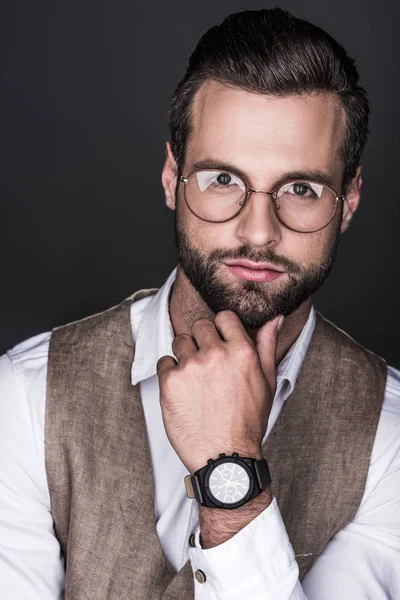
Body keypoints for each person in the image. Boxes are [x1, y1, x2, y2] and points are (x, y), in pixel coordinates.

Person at [1, 7, 399, 600]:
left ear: (348, 200)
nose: (258, 232)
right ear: (172, 177)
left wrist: (229, 474)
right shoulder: (23, 399)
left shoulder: (392, 442)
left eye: (301, 188)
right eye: (222, 180)